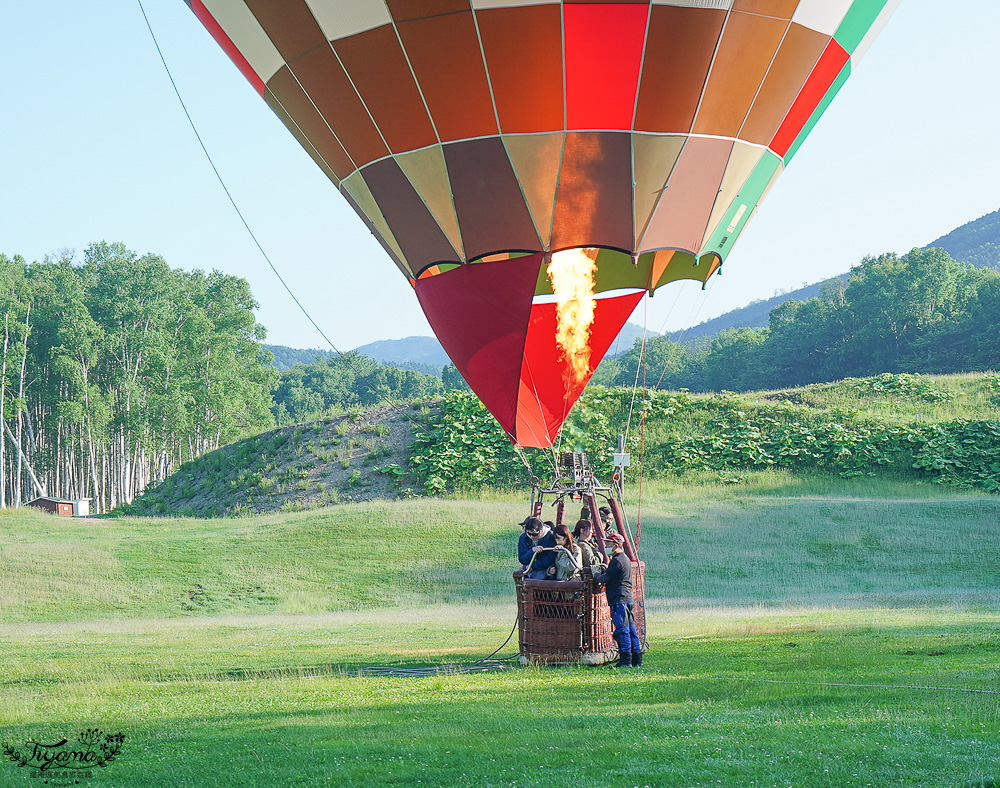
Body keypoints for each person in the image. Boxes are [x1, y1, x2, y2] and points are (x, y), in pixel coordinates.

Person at [592, 531, 642, 667]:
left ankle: (626, 659)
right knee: (631, 629)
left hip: (619, 599)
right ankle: (637, 659)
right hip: (627, 598)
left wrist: (595, 574)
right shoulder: (624, 558)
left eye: (608, 543)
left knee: (622, 629)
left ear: (615, 545)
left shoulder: (617, 560)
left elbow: (605, 578)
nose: (606, 545)